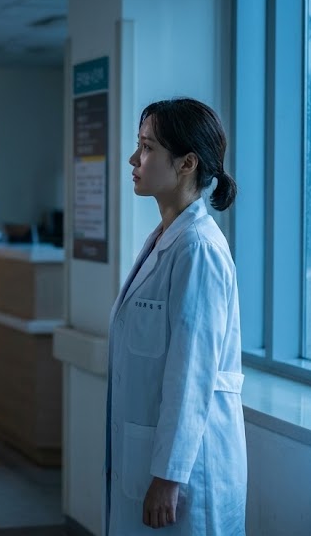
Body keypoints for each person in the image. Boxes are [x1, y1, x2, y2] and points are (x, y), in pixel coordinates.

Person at [105, 98, 247, 535]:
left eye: (146, 148)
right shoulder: (167, 238)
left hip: (187, 472)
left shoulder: (197, 249)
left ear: (187, 162)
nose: (134, 158)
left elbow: (192, 373)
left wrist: (168, 476)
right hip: (149, 457)